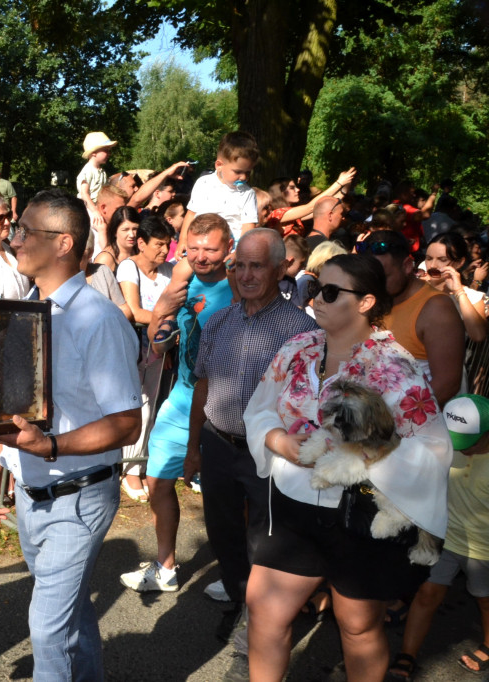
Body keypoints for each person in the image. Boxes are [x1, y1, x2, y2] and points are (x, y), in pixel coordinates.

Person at [243, 253, 451, 682]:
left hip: (359, 514)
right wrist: (278, 440)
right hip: (292, 507)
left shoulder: (396, 367)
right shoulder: (297, 348)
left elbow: (433, 447)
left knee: (357, 626)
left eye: (332, 292)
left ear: (366, 302)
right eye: (316, 289)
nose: (316, 299)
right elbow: (260, 409)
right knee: (264, 610)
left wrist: (361, 454)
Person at [0, 188, 141, 680]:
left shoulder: (99, 319)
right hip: (30, 494)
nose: (14, 237)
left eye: (25, 230)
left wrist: (51, 446)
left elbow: (126, 423)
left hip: (80, 495)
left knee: (48, 627)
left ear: (64, 243)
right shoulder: (25, 310)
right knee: (70, 617)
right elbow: (13, 408)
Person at [185, 229, 318, 675]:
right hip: (219, 445)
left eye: (256, 265)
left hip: (271, 456)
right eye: (238, 265)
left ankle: (255, 633)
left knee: (267, 543)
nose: (244, 274)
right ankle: (245, 605)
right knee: (223, 536)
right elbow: (201, 384)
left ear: (281, 270)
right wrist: (193, 448)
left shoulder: (303, 330)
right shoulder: (219, 321)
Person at [120, 213, 235, 594]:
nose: (201, 256)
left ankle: (239, 575)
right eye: (194, 248)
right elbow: (156, 341)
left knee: (225, 494)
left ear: (228, 249)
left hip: (225, 404)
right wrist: (163, 310)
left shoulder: (239, 289)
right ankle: (165, 566)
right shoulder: (181, 282)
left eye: (210, 249)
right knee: (157, 480)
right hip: (183, 396)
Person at [387, 394, 489, 681]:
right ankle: (407, 654)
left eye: (469, 443)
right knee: (426, 594)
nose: (460, 450)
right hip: (445, 538)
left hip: (483, 550)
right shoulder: (444, 445)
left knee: (484, 598)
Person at [365, 229, 465, 405]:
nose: (375, 284)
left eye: (384, 277)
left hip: (409, 426)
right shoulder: (375, 297)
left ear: (407, 266)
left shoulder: (437, 308)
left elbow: (446, 385)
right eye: (371, 277)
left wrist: (388, 421)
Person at [115, 217, 175, 502]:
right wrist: (167, 323)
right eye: (159, 244)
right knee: (134, 405)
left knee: (149, 406)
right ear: (141, 243)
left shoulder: (167, 271)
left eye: (167, 244)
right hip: (132, 349)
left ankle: (137, 466)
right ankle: (129, 471)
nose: (165, 251)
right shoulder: (128, 267)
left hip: (157, 352)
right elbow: (135, 311)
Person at [180, 131, 260, 251]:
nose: (243, 177)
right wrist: (183, 240)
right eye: (238, 172)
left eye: (248, 172)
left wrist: (239, 252)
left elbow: (248, 226)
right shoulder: (204, 183)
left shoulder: (247, 194)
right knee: (179, 270)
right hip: (200, 243)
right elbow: (191, 214)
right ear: (219, 165)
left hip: (230, 248)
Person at [420, 231, 487, 342]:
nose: (432, 265)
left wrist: (459, 292)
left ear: (460, 262)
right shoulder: (414, 287)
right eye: (429, 258)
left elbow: (479, 336)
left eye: (442, 260)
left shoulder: (472, 297)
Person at [77, 131, 117, 242]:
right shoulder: (88, 171)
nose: (109, 153)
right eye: (106, 150)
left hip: (99, 207)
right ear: (94, 152)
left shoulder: (102, 172)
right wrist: (94, 211)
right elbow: (84, 194)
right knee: (99, 229)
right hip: (89, 208)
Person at [94, 206, 140, 272]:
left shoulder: (140, 252)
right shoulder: (105, 259)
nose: (132, 235)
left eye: (135, 229)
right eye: (125, 230)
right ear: (115, 231)